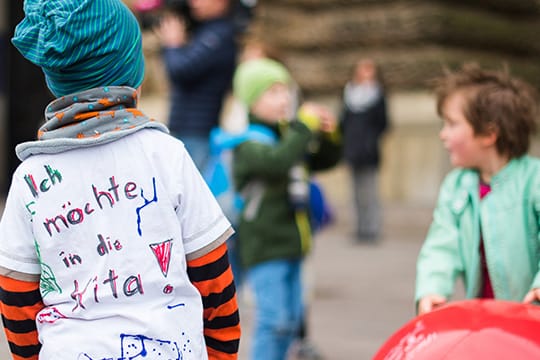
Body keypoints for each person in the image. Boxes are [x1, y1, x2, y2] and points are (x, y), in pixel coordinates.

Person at [0, 1, 240, 359]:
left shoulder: (30, 180)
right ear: (132, 75)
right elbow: (215, 281)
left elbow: (16, 297)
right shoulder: (165, 155)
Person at [232, 58, 341, 360]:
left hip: (294, 243)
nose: (283, 99)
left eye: (285, 91)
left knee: (291, 322)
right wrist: (303, 129)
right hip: (265, 246)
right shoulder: (249, 144)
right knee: (273, 320)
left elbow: (323, 161)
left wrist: (329, 136)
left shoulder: (289, 136)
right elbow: (278, 162)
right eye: (273, 92)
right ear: (251, 101)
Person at [415, 63, 540, 315]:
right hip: (487, 319)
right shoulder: (456, 185)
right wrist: (432, 289)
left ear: (488, 134)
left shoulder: (533, 179)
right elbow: (441, 245)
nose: (442, 134)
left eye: (451, 124)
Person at [156, 0, 237, 171]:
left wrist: (172, 44)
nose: (193, 3)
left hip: (198, 132)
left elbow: (181, 69)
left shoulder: (219, 35)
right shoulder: (206, 31)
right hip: (186, 128)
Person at [339, 58, 388, 242]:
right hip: (352, 149)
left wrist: (370, 140)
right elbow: (343, 122)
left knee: (370, 191)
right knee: (356, 192)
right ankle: (360, 228)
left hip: (369, 151)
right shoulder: (348, 94)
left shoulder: (378, 95)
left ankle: (372, 229)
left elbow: (384, 123)